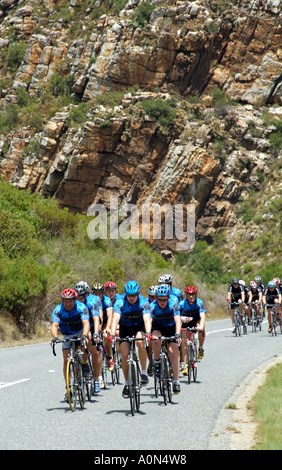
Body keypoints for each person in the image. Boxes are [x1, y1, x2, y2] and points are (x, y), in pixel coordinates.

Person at [109, 280, 152, 399]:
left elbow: (147, 319)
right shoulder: (120, 302)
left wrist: (148, 333)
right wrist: (112, 334)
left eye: (134, 295)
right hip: (125, 327)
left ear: (138, 294)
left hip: (139, 326)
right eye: (129, 295)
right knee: (124, 353)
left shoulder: (144, 302)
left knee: (139, 341)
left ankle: (143, 373)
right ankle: (127, 383)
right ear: (125, 294)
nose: (131, 298)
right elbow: (115, 319)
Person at [50, 288, 90, 401]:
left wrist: (84, 335)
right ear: (62, 300)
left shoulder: (81, 307)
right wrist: (55, 337)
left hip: (79, 332)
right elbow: (54, 325)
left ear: (75, 300)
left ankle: (84, 363)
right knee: (66, 360)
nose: (68, 304)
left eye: (70, 301)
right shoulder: (58, 309)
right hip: (67, 334)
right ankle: (68, 389)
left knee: (87, 339)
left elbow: (86, 323)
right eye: (65, 301)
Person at [150, 284, 181, 394]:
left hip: (171, 328)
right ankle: (157, 361)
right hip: (158, 327)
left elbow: (178, 320)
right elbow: (148, 321)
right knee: (155, 339)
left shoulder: (173, 304)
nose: (162, 302)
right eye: (159, 299)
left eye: (164, 299)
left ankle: (176, 381)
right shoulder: (152, 306)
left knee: (173, 351)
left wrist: (177, 334)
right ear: (156, 298)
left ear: (168, 297)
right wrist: (148, 333)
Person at [74, 281, 103, 393]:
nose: (79, 299)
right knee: (75, 352)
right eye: (78, 297)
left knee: (95, 352)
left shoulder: (92, 302)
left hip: (91, 326)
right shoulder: (73, 303)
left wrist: (97, 333)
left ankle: (96, 379)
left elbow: (96, 319)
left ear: (87, 295)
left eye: (82, 297)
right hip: (78, 327)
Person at [179, 285, 206, 375]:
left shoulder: (199, 303)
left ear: (196, 295)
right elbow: (177, 316)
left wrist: (201, 327)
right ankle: (185, 363)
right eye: (189, 295)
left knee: (201, 327)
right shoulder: (182, 304)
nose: (191, 296)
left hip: (196, 321)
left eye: (193, 294)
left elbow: (202, 316)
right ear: (186, 295)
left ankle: (201, 348)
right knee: (184, 341)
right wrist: (182, 319)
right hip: (186, 321)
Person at [92, 283, 114, 372]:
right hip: (95, 321)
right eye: (95, 294)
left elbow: (110, 316)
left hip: (105, 320)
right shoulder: (91, 301)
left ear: (103, 294)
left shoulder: (107, 300)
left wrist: (107, 328)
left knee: (105, 336)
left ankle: (109, 357)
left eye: (99, 294)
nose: (97, 296)